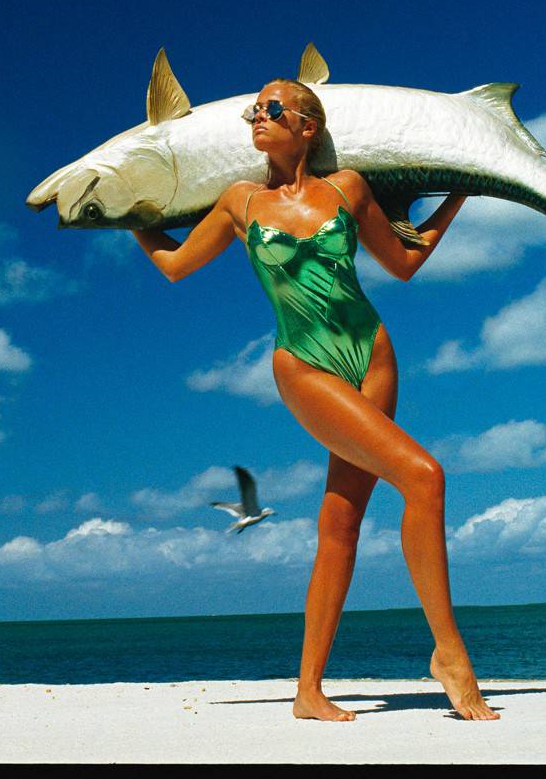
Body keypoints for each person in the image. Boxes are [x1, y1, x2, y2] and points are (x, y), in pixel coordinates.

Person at [131, 79, 498, 722]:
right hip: (304, 366)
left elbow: (404, 263)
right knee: (424, 477)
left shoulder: (347, 188)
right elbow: (173, 265)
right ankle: (450, 654)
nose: (256, 117)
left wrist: (462, 189)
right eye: (253, 111)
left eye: (272, 109)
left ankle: (307, 691)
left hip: (374, 358)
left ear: (307, 126)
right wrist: (132, 217)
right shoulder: (239, 201)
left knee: (340, 524)